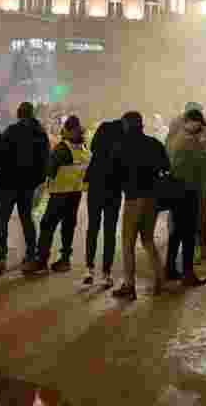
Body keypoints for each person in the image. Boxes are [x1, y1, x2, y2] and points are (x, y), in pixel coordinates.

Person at [113, 111, 169, 301]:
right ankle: (160, 280)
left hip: (133, 199)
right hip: (152, 199)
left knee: (128, 243)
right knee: (147, 240)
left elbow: (115, 174)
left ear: (126, 125)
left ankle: (129, 286)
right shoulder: (154, 144)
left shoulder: (121, 145)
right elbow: (166, 167)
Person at [24, 116, 90, 274]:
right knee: (68, 227)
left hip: (60, 194)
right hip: (75, 194)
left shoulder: (62, 148)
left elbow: (50, 170)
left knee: (47, 225)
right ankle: (65, 260)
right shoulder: (83, 147)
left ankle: (41, 260)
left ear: (67, 130)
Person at [0, 102, 50, 274]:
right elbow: (45, 159)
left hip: (9, 183)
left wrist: (0, 169)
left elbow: (0, 153)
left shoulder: (11, 131)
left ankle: (1, 259)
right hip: (28, 185)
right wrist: (38, 181)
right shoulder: (40, 133)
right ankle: (30, 254)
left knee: (2, 220)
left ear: (19, 114)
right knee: (26, 218)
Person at [164, 108, 206, 288]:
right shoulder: (190, 141)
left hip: (177, 190)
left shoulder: (177, 138)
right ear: (191, 121)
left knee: (176, 232)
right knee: (189, 234)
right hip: (187, 191)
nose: (200, 127)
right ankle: (188, 274)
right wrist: (204, 150)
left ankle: (170, 269)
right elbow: (203, 166)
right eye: (199, 124)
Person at [82, 118, 123, 288]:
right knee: (109, 230)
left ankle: (89, 269)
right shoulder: (121, 145)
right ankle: (106, 272)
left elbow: (91, 149)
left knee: (93, 227)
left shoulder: (99, 146)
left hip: (96, 187)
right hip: (113, 190)